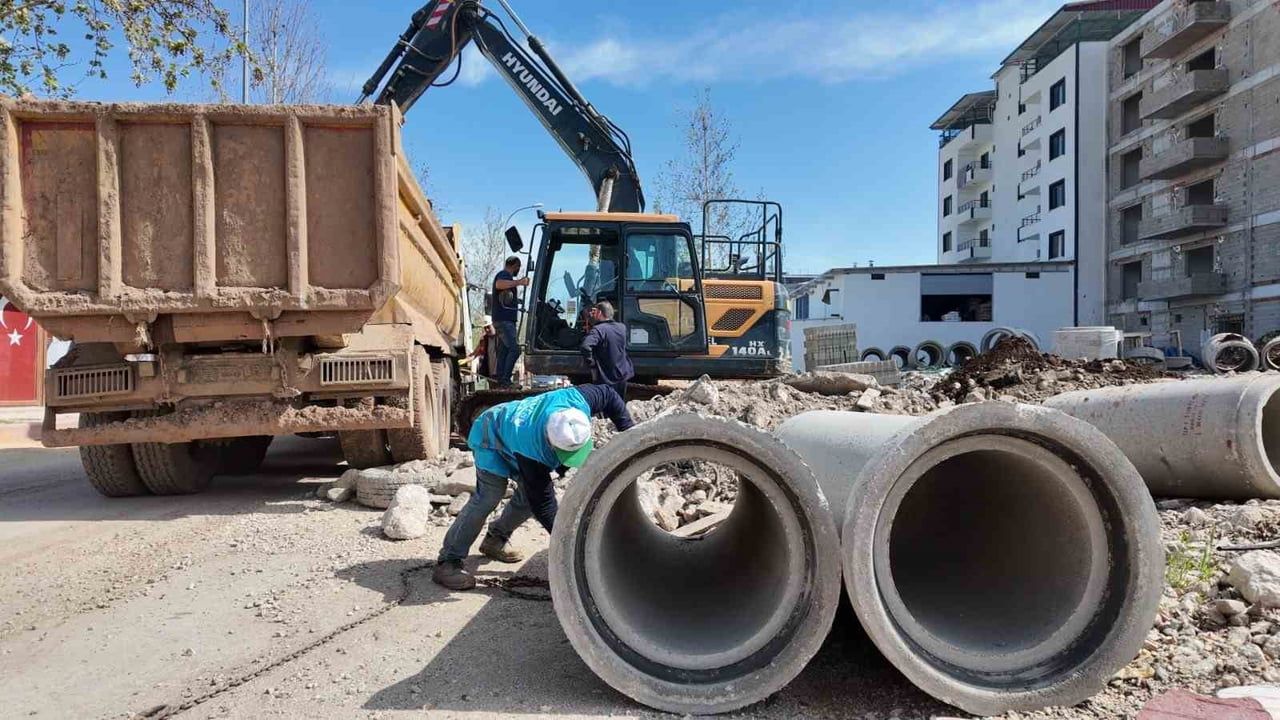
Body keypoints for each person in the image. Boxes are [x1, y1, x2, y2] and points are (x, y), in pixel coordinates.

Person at [433, 383, 634, 591]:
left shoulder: (577, 401)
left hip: (513, 433)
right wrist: (570, 544)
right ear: (549, 441)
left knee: (525, 498)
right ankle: (448, 560)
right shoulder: (532, 448)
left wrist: (631, 435)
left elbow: (610, 394)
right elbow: (544, 504)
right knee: (489, 496)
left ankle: (495, 539)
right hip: (490, 435)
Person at [581, 301, 634, 399]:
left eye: (595, 312)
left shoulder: (598, 330)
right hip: (623, 373)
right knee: (619, 402)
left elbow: (585, 346)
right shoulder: (622, 327)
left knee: (606, 403)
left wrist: (591, 362)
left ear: (600, 313)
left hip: (607, 376)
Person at [492, 256, 529, 386]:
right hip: (504, 320)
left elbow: (505, 296)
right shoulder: (503, 275)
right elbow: (499, 284)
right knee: (515, 350)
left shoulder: (507, 278)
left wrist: (516, 303)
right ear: (515, 265)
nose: (518, 270)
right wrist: (519, 282)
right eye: (518, 267)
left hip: (504, 320)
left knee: (504, 351)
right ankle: (506, 380)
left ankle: (501, 379)